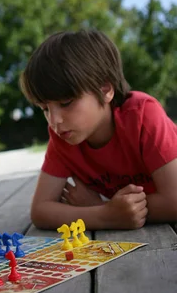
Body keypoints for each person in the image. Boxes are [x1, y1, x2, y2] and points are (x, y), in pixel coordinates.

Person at [20, 29, 177, 230]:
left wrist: (103, 208)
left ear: (105, 90)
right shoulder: (63, 137)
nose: (54, 120)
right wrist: (105, 214)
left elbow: (174, 201)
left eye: (66, 102)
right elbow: (40, 211)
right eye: (45, 109)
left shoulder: (142, 116)